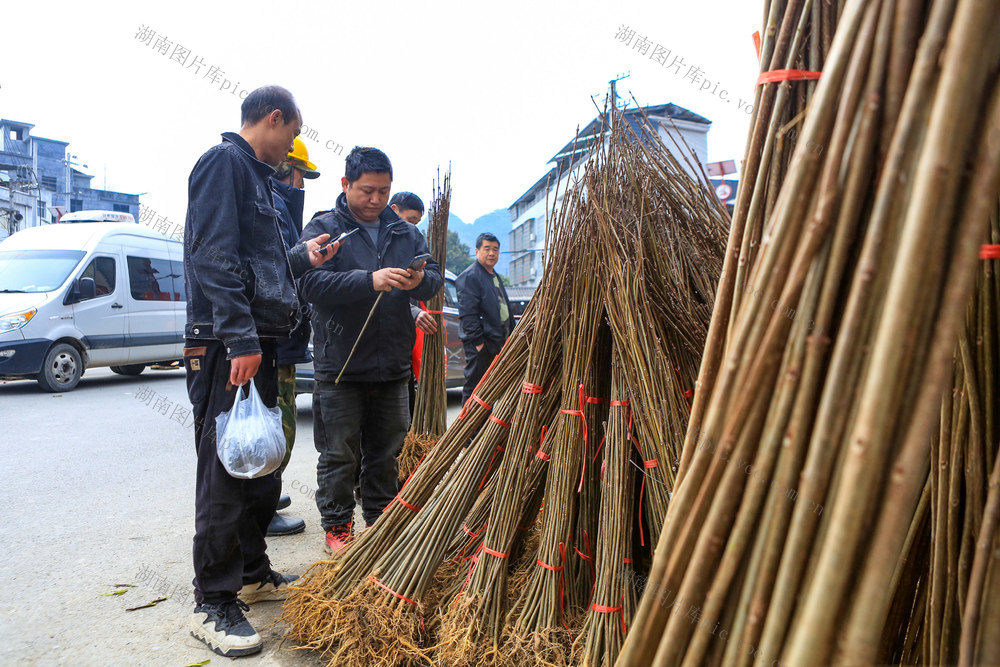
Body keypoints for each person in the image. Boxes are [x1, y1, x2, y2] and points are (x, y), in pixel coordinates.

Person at [183, 85, 340, 658]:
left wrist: (304, 257)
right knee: (226, 470)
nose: (290, 147)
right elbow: (214, 257)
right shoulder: (224, 163)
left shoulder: (260, 180)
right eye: (292, 135)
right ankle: (214, 602)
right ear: (273, 119)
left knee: (259, 464)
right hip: (229, 344)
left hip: (258, 341)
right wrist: (240, 337)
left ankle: (251, 572)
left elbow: (262, 266)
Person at [298, 147, 442, 554]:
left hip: (392, 364)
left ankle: (380, 521)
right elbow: (309, 285)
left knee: (386, 451)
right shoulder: (325, 228)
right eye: (367, 191)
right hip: (340, 365)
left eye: (383, 191)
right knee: (339, 452)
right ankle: (337, 527)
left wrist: (417, 283)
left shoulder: (404, 231)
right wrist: (368, 280)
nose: (376, 200)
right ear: (345, 185)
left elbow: (431, 276)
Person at [266, 136, 321, 537]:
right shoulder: (274, 207)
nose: (303, 183)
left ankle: (268, 496)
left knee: (279, 424)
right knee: (279, 427)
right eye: (302, 174)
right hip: (275, 344)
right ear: (288, 169)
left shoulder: (282, 208)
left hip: (284, 343)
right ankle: (263, 509)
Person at [388, 191, 436, 413]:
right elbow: (380, 295)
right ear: (394, 210)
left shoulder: (412, 242)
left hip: (400, 345)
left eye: (417, 223)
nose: (413, 228)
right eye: (410, 221)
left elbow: (434, 276)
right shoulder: (376, 242)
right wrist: (414, 312)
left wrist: (422, 278)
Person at [456, 232, 512, 406]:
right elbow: (467, 313)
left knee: (490, 388)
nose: (491, 253)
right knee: (475, 387)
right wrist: (479, 343)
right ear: (477, 251)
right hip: (482, 343)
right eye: (487, 248)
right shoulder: (470, 276)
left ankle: (483, 430)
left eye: (495, 249)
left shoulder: (493, 275)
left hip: (497, 340)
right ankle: (470, 431)